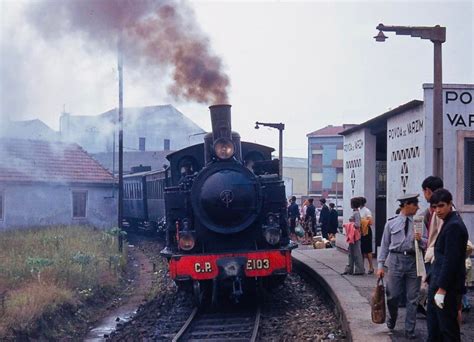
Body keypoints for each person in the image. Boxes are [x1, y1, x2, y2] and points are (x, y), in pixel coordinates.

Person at [377, 194, 427, 340]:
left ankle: (409, 330)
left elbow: (426, 241)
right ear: (406, 205)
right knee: (392, 296)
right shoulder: (391, 223)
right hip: (395, 260)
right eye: (415, 204)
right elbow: (385, 246)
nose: (418, 207)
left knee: (413, 298)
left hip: (413, 261)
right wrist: (380, 266)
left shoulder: (419, 222)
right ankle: (392, 319)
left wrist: (421, 240)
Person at [426, 189, 468, 342]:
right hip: (439, 283)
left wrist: (442, 289)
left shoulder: (454, 226)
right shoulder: (449, 222)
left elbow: (451, 260)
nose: (438, 210)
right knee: (436, 328)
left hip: (447, 287)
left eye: (441, 206)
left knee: (447, 330)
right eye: (434, 207)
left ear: (450, 204)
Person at [342, 197, 365, 275]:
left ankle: (358, 270)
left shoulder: (356, 213)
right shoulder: (355, 212)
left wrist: (349, 224)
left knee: (355, 252)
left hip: (355, 236)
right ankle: (351, 269)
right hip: (353, 235)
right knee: (352, 252)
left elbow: (357, 224)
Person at [359, 197, 375, 274]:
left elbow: (371, 222)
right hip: (360, 232)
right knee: (361, 250)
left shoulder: (367, 211)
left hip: (366, 231)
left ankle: (371, 267)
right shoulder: (358, 210)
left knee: (368, 250)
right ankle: (362, 267)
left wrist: (361, 221)